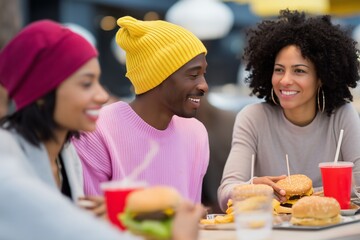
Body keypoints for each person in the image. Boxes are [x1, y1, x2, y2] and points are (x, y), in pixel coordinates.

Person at [0, 19, 205, 240]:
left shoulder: (65, 154)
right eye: (86, 84)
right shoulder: (7, 165)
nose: (102, 96)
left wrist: (108, 218)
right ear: (41, 92)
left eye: (98, 82)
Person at [217, 9, 360, 212]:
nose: (285, 80)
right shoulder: (253, 118)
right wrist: (250, 187)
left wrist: (312, 196)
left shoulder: (342, 116)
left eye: (299, 71)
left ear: (321, 77)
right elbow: (225, 195)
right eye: (279, 70)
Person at [73, 16, 210, 203]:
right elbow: (92, 221)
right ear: (157, 77)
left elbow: (192, 216)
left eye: (203, 74)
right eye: (193, 75)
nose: (204, 86)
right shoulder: (97, 130)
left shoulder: (196, 133)